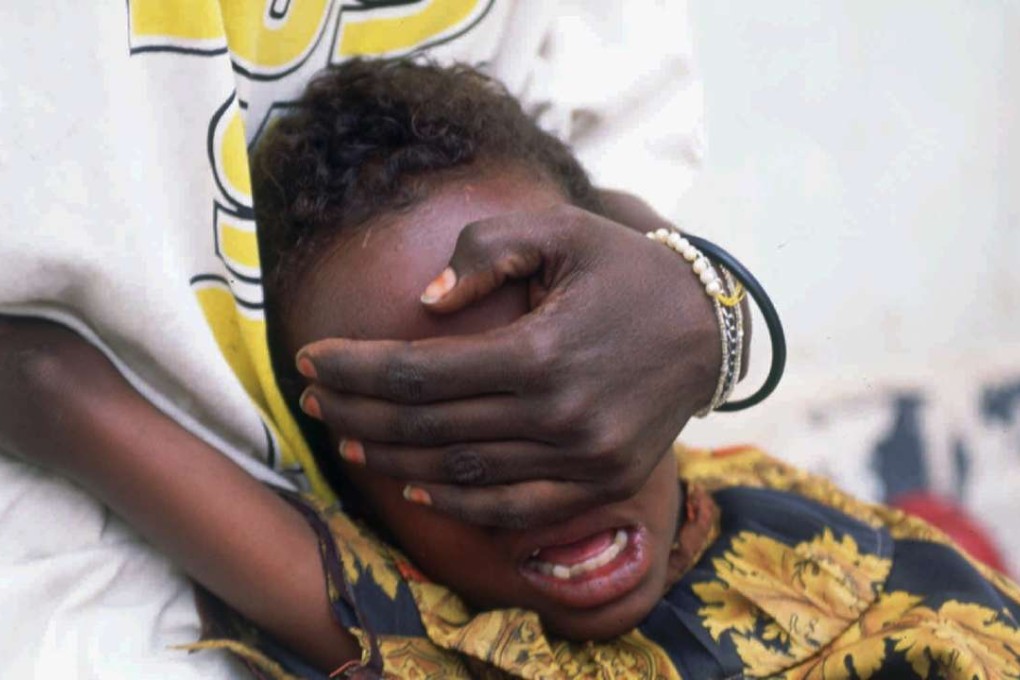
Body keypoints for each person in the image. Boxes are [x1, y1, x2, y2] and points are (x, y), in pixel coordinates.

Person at [3, 59, 1019, 680]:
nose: (548, 472)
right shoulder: (453, 643)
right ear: (354, 493)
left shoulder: (746, 489)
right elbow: (56, 393)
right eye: (450, 434)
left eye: (563, 378)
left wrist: (688, 289)